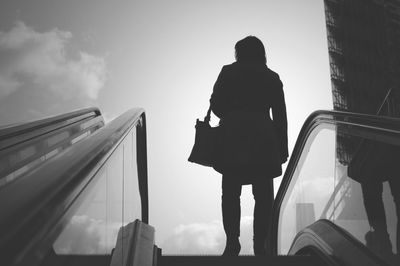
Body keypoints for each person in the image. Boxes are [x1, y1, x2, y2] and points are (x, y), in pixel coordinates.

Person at [210, 36, 288, 256]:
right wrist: (282, 147)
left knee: (231, 191)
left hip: (233, 134)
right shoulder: (272, 77)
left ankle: (232, 241)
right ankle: (260, 245)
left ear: (239, 53)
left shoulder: (228, 72)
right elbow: (281, 115)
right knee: (263, 194)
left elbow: (215, 105)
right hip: (264, 136)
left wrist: (232, 112)